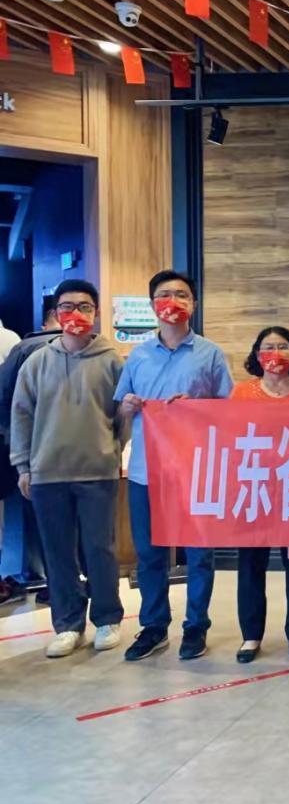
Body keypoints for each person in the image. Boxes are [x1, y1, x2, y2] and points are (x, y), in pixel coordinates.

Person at [116, 270, 233, 662]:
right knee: (149, 554)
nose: (173, 302)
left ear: (193, 304)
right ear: (153, 305)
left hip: (195, 471)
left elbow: (229, 410)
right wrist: (128, 405)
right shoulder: (138, 356)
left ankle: (196, 625)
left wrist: (197, 408)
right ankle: (154, 626)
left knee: (199, 555)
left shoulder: (210, 354)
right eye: (164, 295)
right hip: (146, 471)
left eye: (181, 295)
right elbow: (121, 407)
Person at [9, 280, 126, 657]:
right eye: (67, 306)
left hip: (97, 473)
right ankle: (67, 624)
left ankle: (107, 619)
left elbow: (121, 417)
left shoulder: (112, 361)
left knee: (99, 549)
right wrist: (23, 465)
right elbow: (21, 415)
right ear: (56, 314)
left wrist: (111, 451)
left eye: (84, 307)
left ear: (96, 313)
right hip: (47, 474)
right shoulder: (36, 362)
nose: (75, 314)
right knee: (58, 553)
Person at [230, 326, 289, 663]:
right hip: (255, 488)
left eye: (283, 346)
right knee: (250, 564)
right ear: (257, 354)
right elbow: (229, 436)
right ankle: (251, 636)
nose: (275, 353)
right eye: (268, 347)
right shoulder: (242, 392)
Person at [0, 297, 59, 600]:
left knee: (30, 515)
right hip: (74, 454)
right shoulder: (12, 341)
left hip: (27, 447)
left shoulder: (21, 346)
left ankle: (33, 575)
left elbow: (6, 398)